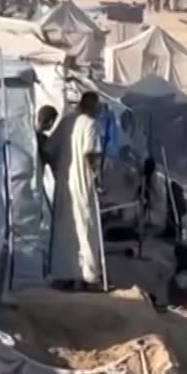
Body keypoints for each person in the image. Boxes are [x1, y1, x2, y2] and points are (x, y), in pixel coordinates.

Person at [50, 92, 106, 289]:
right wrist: (98, 179)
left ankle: (65, 274)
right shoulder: (90, 124)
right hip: (83, 183)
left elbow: (49, 149)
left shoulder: (67, 122)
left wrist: (58, 171)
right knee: (86, 227)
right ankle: (89, 277)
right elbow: (92, 154)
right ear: (92, 106)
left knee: (65, 228)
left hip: (64, 184)